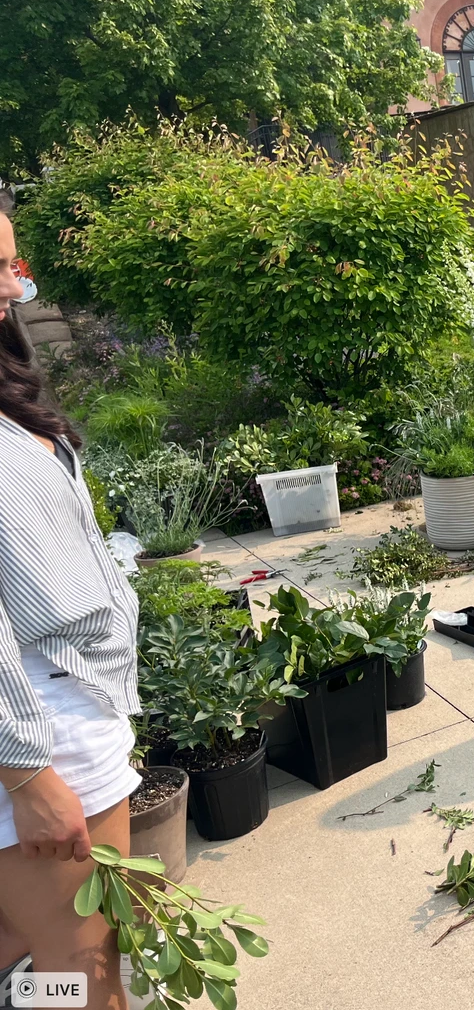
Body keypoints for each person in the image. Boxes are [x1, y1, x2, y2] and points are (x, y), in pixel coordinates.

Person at [0, 209, 141, 1010]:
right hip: (33, 729)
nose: (12, 286)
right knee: (83, 982)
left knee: (68, 965)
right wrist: (23, 769)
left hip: (67, 710)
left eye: (14, 264)